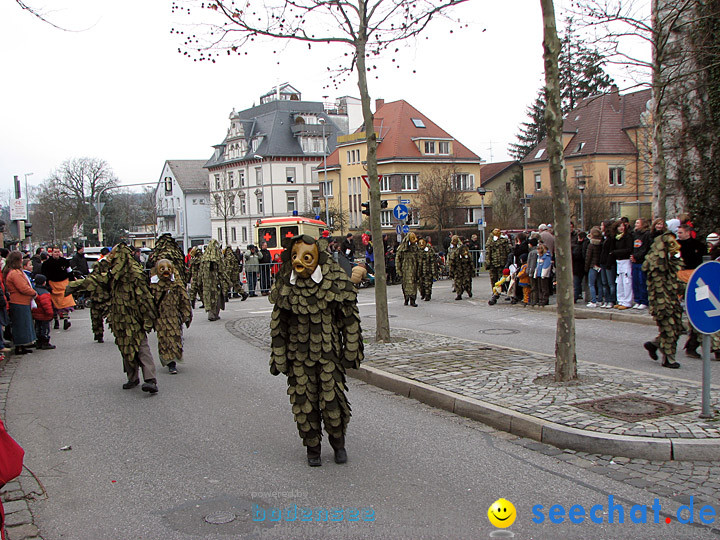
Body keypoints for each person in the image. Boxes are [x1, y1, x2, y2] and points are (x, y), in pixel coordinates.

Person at [269, 234, 363, 467]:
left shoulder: (333, 283)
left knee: (333, 402)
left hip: (328, 356)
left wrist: (351, 350)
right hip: (298, 357)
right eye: (294, 256)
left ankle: (338, 442)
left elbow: (348, 318)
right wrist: (279, 357)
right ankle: (313, 448)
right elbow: (278, 326)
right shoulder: (286, 288)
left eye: (306, 257)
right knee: (304, 403)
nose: (298, 262)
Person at [67, 243, 159, 394]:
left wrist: (148, 318)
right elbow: (96, 280)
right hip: (118, 317)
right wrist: (74, 286)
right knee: (125, 346)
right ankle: (132, 377)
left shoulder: (135, 274)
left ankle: (150, 380)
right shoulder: (112, 275)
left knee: (141, 346)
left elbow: (145, 298)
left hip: (134, 318)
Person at [642, 232, 684, 368]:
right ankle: (668, 359)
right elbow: (658, 288)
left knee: (677, 328)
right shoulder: (657, 267)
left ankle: (655, 345)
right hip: (663, 303)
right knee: (669, 329)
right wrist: (663, 306)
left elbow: (676, 281)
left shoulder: (671, 262)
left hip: (673, 301)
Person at [150, 259, 192, 375]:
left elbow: (183, 299)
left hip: (173, 316)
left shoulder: (176, 283)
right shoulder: (153, 284)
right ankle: (169, 362)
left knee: (175, 338)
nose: (166, 271)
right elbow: (148, 301)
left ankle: (173, 360)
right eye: (162, 269)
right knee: (163, 339)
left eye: (168, 269)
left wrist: (186, 313)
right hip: (160, 317)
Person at [3, 251, 37, 355]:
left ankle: (22, 345)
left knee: (23, 324)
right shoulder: (15, 273)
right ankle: (20, 346)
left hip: (21, 301)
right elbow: (23, 288)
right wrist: (33, 292)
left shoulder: (14, 272)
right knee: (21, 325)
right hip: (19, 301)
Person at [41, 245, 75, 330]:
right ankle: (56, 321)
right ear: (51, 253)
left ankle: (66, 320)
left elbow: (69, 271)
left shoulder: (65, 261)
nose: (57, 253)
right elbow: (44, 275)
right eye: (55, 252)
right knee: (55, 304)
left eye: (58, 252)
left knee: (66, 303)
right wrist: (47, 285)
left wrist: (72, 281)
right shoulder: (46, 264)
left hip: (64, 284)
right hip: (53, 284)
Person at [196, 240, 230, 321]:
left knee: (209, 296)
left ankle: (211, 313)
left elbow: (200, 271)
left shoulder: (204, 258)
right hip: (215, 281)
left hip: (206, 282)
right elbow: (221, 271)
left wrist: (199, 281)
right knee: (216, 297)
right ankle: (214, 313)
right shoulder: (217, 258)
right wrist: (228, 281)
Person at [610, 220, 633, 310]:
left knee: (627, 281)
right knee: (619, 281)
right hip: (619, 261)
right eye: (619, 226)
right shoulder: (616, 238)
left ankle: (627, 301)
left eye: (622, 226)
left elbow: (628, 249)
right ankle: (621, 300)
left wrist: (615, 252)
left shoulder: (628, 237)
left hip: (626, 260)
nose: (621, 228)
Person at [30, 274, 56, 350]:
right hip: (45, 315)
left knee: (38, 328)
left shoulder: (34, 291)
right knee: (45, 329)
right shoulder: (45, 293)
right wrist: (51, 314)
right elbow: (47, 305)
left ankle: (38, 342)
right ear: (44, 282)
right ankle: (45, 342)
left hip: (36, 314)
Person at [630, 218, 651, 310]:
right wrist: (632, 256)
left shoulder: (647, 235)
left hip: (641, 261)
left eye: (638, 223)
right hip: (634, 261)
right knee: (635, 282)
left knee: (642, 281)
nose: (636, 224)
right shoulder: (635, 235)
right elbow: (633, 247)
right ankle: (637, 299)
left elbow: (645, 248)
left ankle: (644, 300)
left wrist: (637, 256)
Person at [395, 232, 421, 307]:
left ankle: (412, 300)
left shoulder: (415, 248)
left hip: (414, 269)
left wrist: (419, 269)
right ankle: (406, 298)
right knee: (405, 285)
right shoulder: (402, 248)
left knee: (413, 285)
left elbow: (418, 259)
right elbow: (398, 260)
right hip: (405, 270)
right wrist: (398, 270)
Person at [584, 227, 603, 308]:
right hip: (599, 265)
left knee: (591, 284)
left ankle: (593, 300)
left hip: (592, 265)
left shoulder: (591, 245)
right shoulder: (601, 244)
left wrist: (586, 267)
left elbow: (588, 257)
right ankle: (600, 300)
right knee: (599, 283)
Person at [417, 237, 438, 301]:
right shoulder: (418, 250)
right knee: (420, 283)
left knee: (427, 283)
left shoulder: (429, 250)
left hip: (427, 269)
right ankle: (423, 293)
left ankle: (428, 295)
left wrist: (433, 271)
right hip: (420, 270)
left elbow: (432, 261)